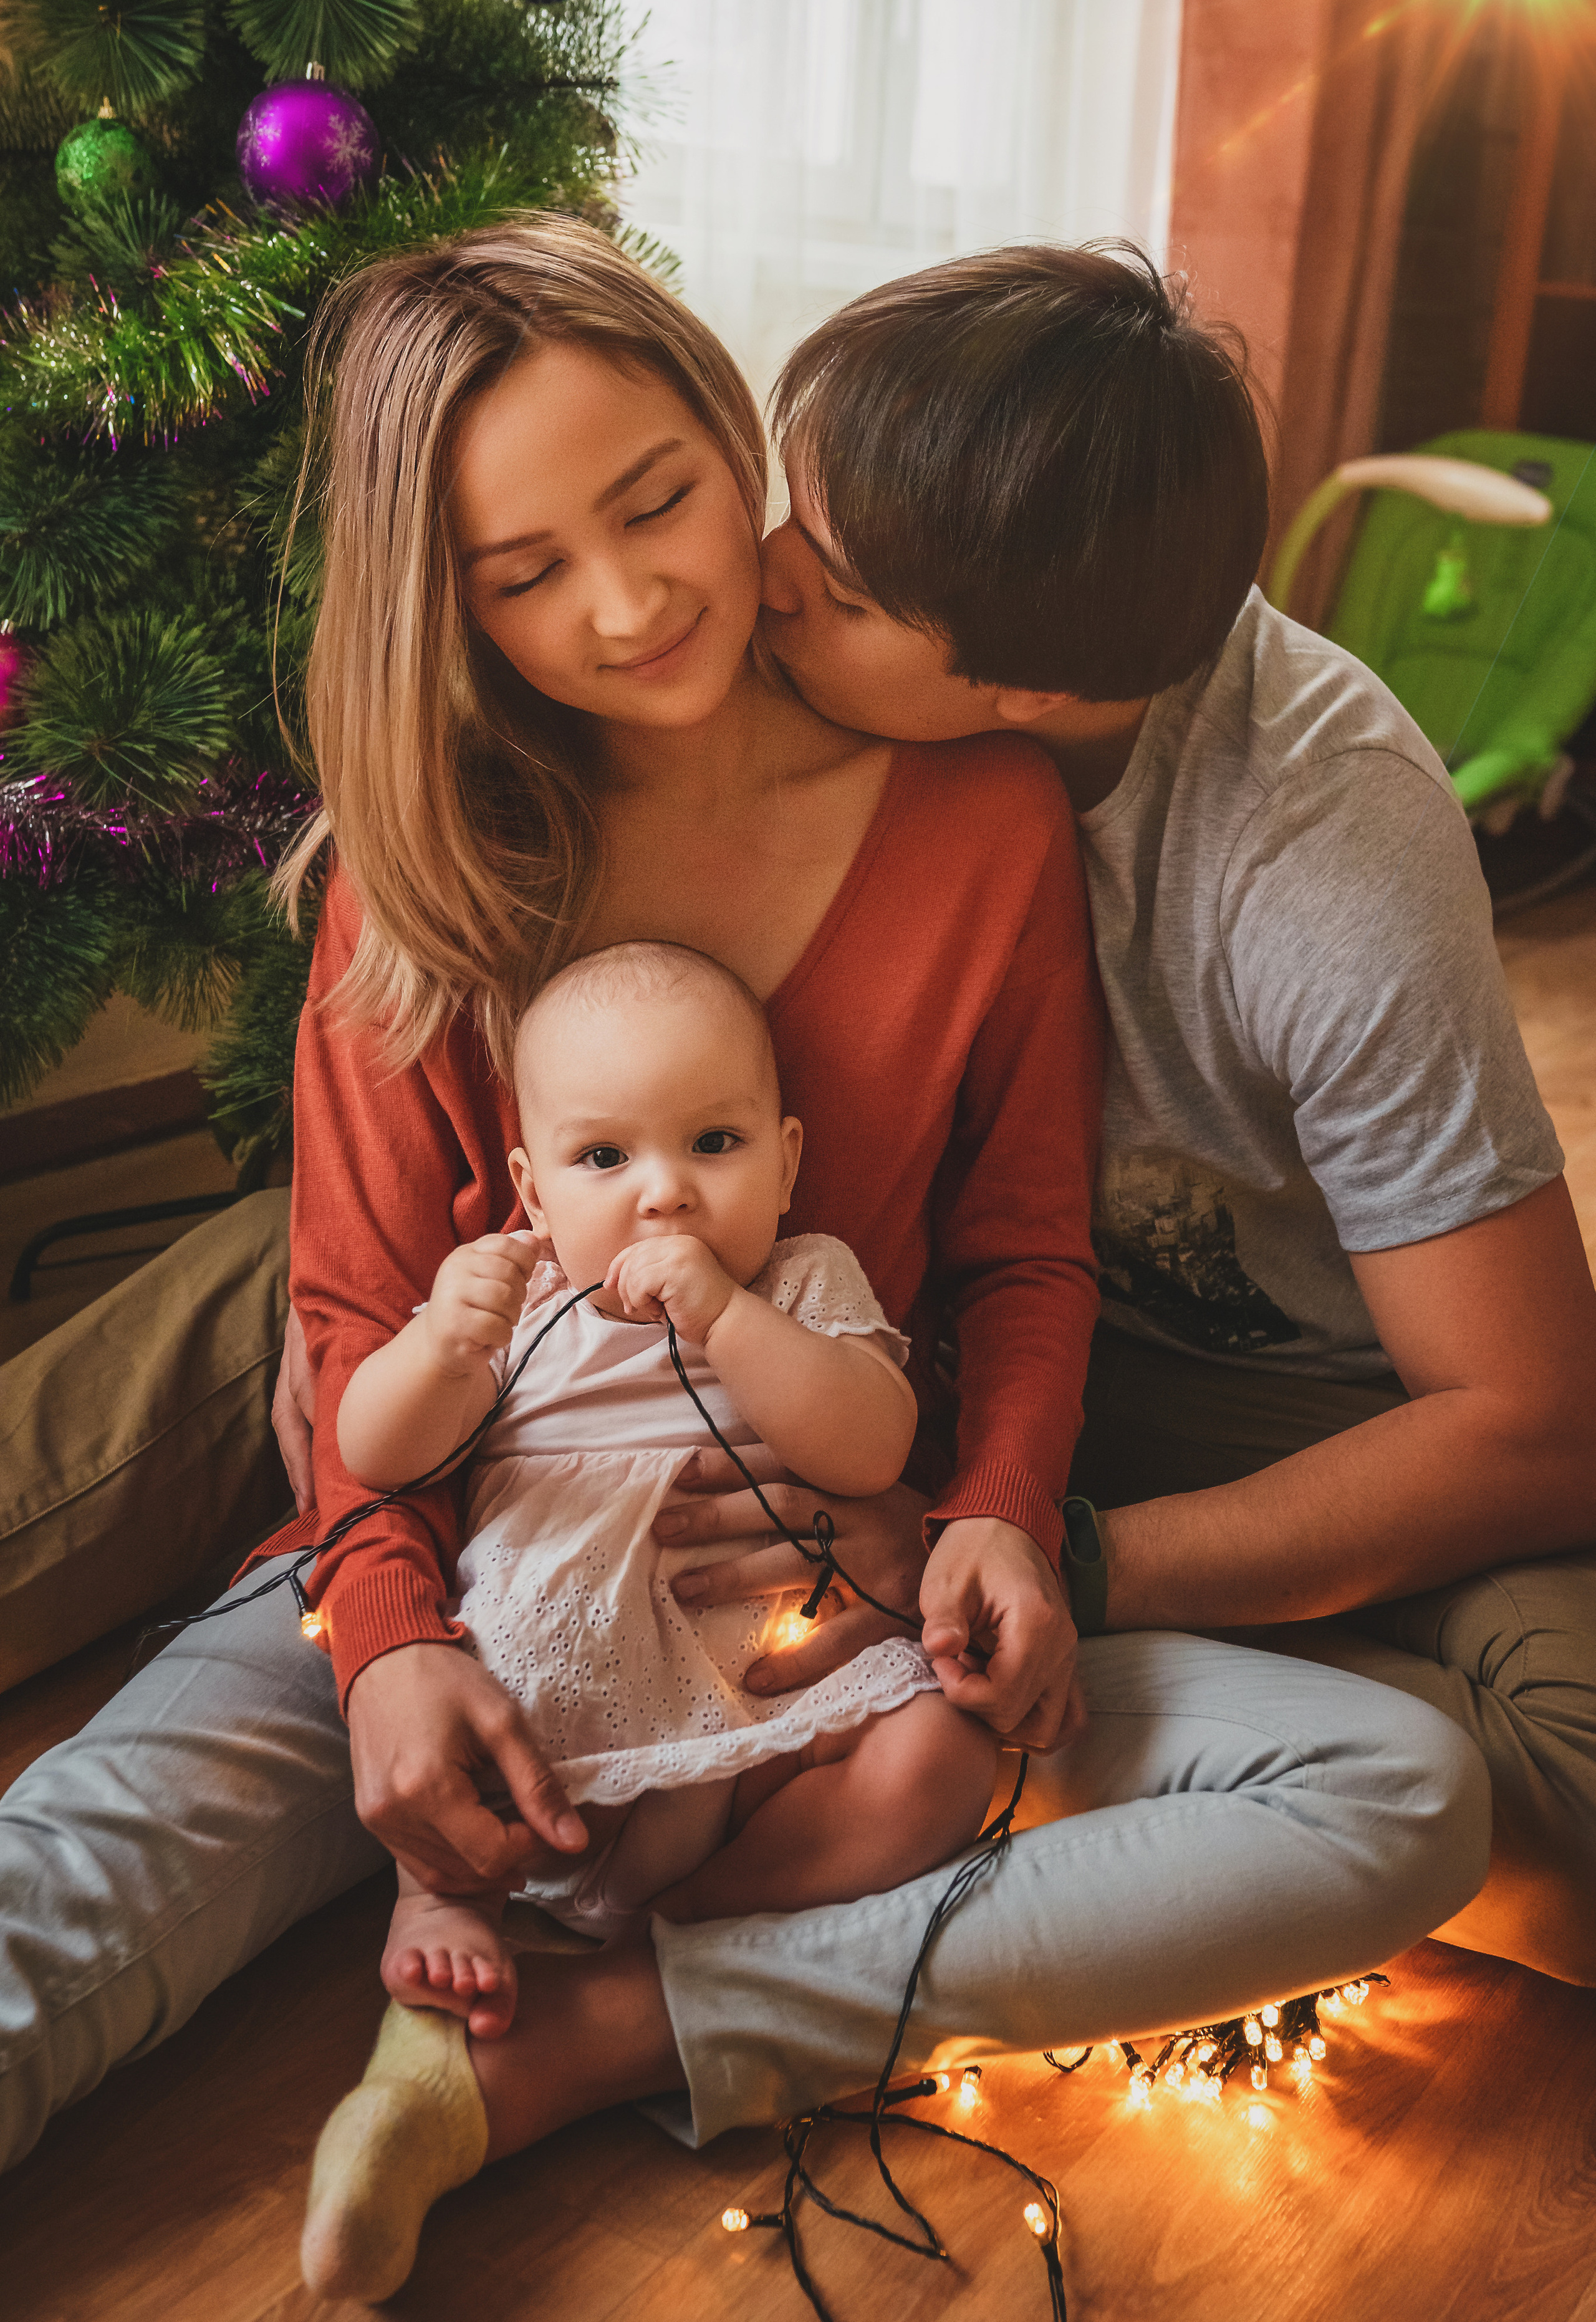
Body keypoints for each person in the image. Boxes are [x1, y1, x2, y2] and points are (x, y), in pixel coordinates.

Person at [0, 222, 1488, 2187]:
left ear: (740, 438)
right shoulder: (438, 852)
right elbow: (356, 1317)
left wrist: (1001, 1523)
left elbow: (1026, 1248)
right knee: (63, 1899)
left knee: (1397, 1793)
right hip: (463, 1589)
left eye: (660, 502)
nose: (626, 606)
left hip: (821, 1637)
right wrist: (386, 1650)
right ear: (443, 604)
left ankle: (596, 2032)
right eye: (523, 575)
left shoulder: (978, 818)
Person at [729, 241, 1596, 1986]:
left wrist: (1074, 1559)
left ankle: (1021, 1701)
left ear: (1029, 689)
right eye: (787, 511)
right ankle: (1133, 1770)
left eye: (833, 576)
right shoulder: (779, 683)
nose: (761, 581)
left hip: (1265, 1403)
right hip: (923, 1339)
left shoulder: (1318, 841)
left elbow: (1533, 1420)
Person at [302, 940, 996, 2300]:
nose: (664, 1190)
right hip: (557, 1674)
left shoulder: (800, 1280)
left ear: (787, 1163)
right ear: (529, 1189)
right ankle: (442, 1895)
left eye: (714, 1142)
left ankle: (698, 1917)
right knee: (459, 1752)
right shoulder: (513, 1294)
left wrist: (729, 1318)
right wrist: (439, 1347)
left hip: (764, 1683)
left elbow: (870, 1444)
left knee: (941, 1760)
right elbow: (375, 1452)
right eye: (603, 1160)